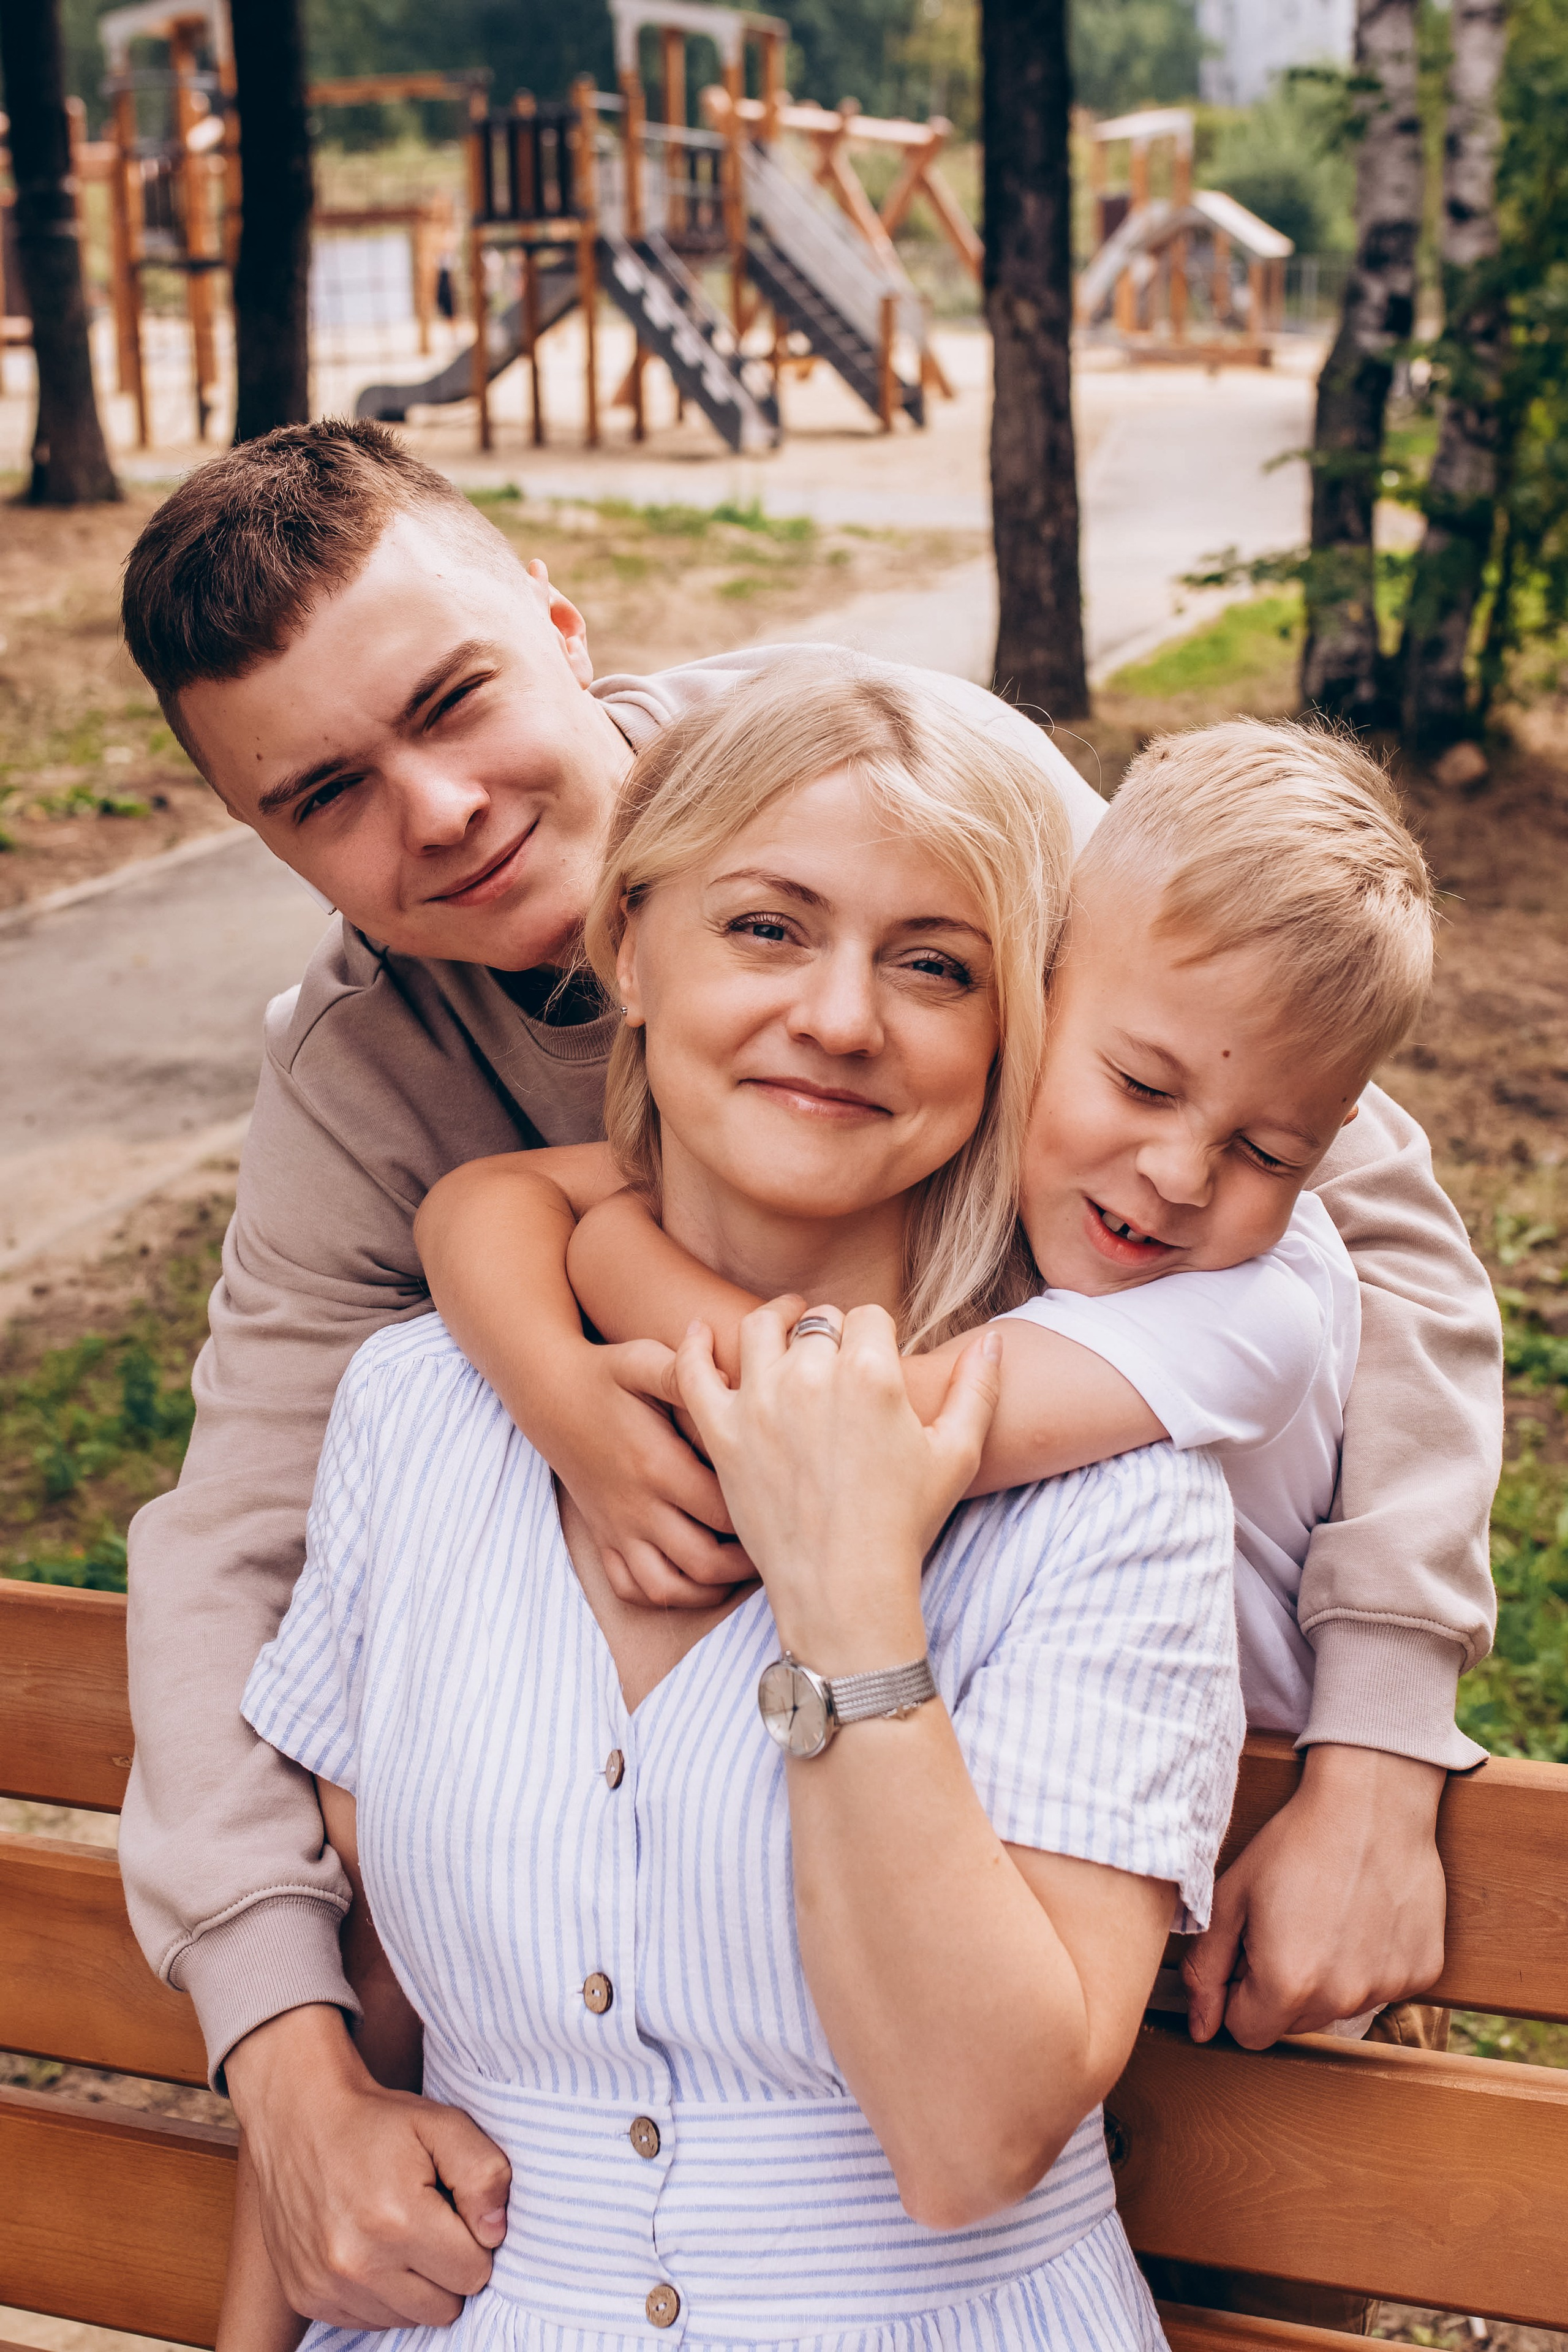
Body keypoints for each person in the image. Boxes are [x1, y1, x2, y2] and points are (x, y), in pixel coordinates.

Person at [116, 420, 1499, 2321]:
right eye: (328, 794)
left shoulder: (915, 792)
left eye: (454, 701)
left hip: (1123, 1816)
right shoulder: (365, 1085)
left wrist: (1377, 1748)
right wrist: (284, 2064)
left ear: (559, 622)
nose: (431, 811)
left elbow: (1343, 1209)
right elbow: (241, 1527)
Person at [226, 663, 1244, 2351]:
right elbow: (378, 2013)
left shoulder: (1115, 1491)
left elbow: (973, 2137)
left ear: (1014, 1033)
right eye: (768, 929)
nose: (843, 1018)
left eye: (935, 966)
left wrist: (850, 1596)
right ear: (628, 948)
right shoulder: (420, 1413)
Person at [420, 714, 1484, 2054]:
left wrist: (611, 1249)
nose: (1176, 1175)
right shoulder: (1006, 1179)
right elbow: (484, 1200)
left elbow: (852, 1438)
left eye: (1268, 1151)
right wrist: (560, 1393)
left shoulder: (1254, 1304)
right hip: (1029, 1846)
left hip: (1247, 1905)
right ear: (1036, 993)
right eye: (1137, 1083)